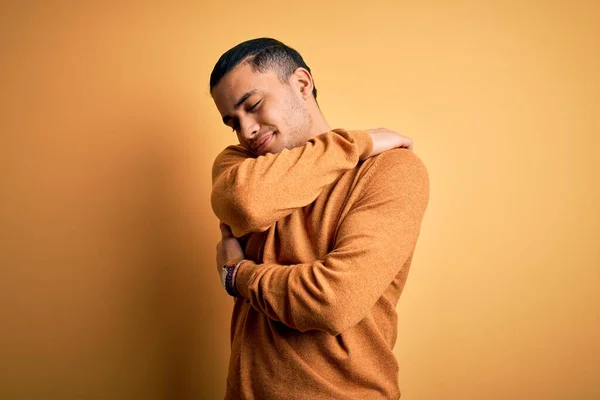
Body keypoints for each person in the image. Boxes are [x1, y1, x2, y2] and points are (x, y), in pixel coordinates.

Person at [209, 37, 429, 399]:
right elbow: (247, 202)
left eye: (254, 105)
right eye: (233, 121)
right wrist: (355, 143)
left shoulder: (390, 170)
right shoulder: (240, 166)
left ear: (301, 83)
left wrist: (238, 275)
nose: (246, 131)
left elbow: (332, 303)